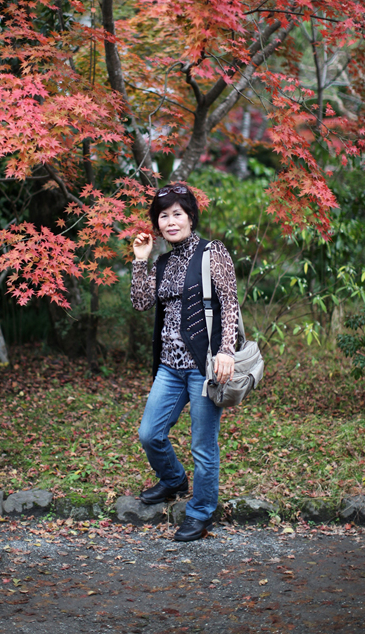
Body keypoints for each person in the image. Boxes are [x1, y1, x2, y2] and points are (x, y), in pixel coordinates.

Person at [131, 183, 239, 542]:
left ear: (190, 217)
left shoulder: (212, 252)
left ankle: (201, 511)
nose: (171, 221)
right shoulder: (163, 262)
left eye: (177, 213)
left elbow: (230, 303)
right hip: (169, 366)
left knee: (203, 447)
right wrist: (141, 260)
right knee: (150, 434)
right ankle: (174, 480)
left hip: (203, 366)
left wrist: (226, 350)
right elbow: (141, 302)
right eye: (163, 216)